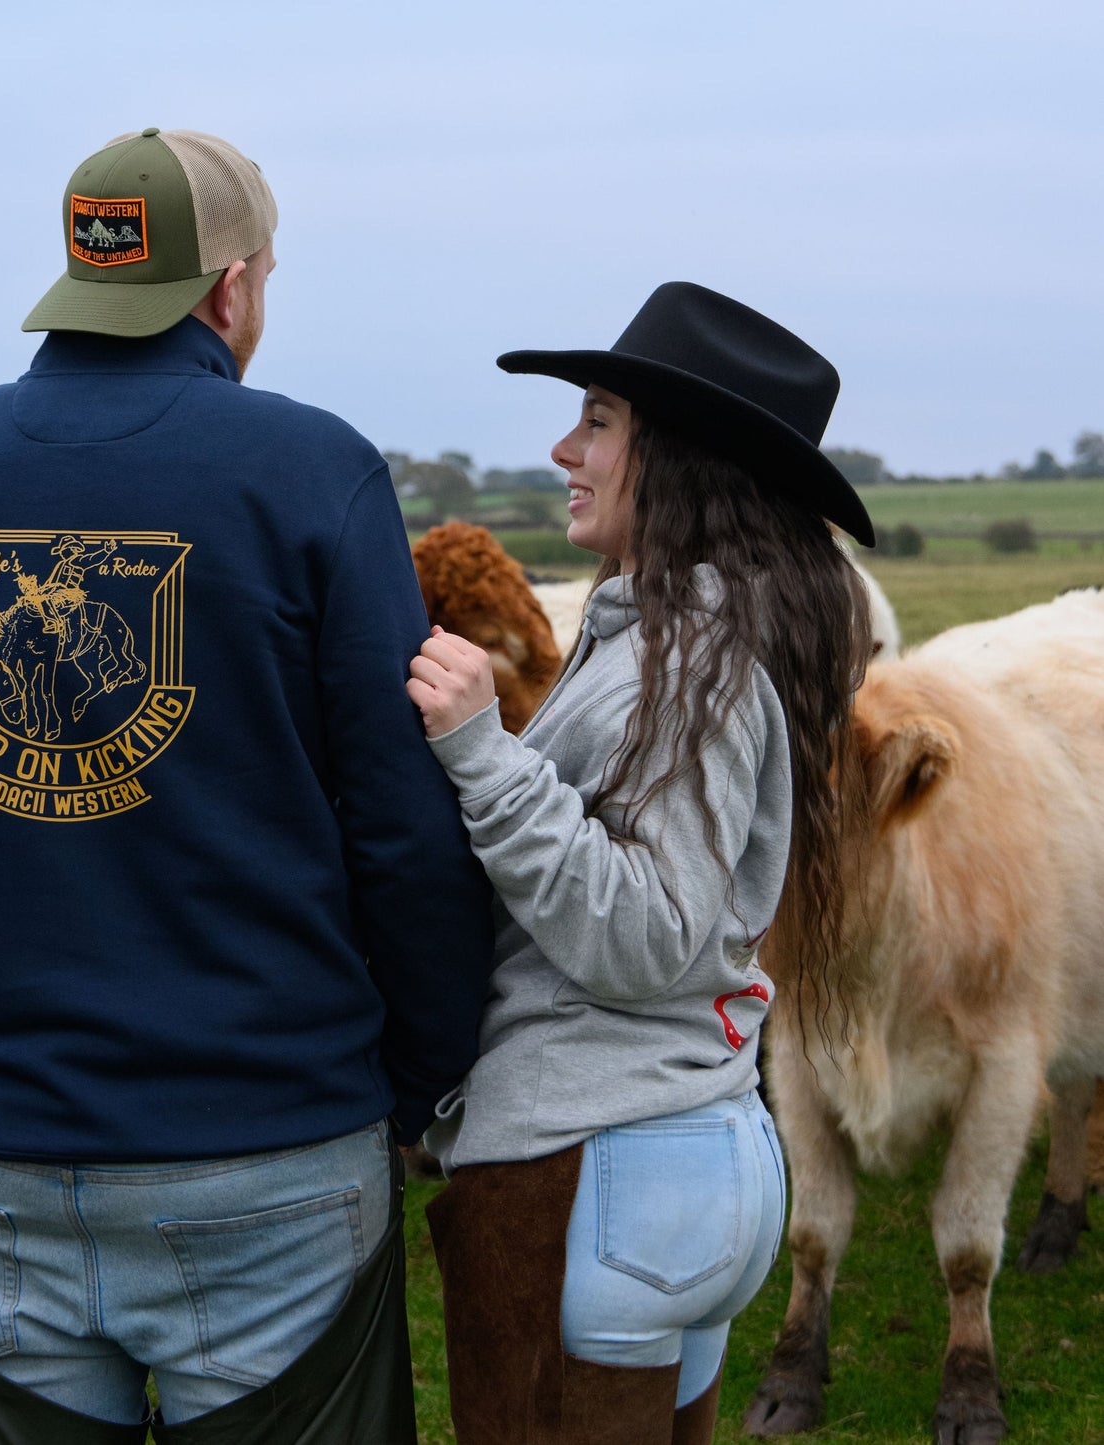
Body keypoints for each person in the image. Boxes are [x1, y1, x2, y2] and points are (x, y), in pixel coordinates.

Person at [0, 127, 494, 1445]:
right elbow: (402, 826)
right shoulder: (313, 475)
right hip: (271, 1145)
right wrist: (414, 1076)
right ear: (229, 288)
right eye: (264, 278)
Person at [406, 281, 876, 1445]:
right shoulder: (680, 636)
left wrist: (480, 751)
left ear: (680, 459)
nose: (563, 448)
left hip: (596, 1164)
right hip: (676, 1152)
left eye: (598, 420)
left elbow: (647, 929)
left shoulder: (686, 657)